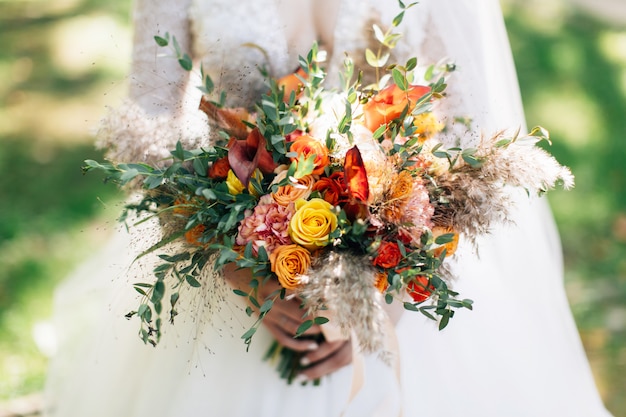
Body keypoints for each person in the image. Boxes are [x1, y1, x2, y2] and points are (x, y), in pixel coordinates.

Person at [43, 0, 614, 416]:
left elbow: (470, 140)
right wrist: (241, 273)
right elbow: (148, 132)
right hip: (230, 272)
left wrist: (384, 297)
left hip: (402, 281)